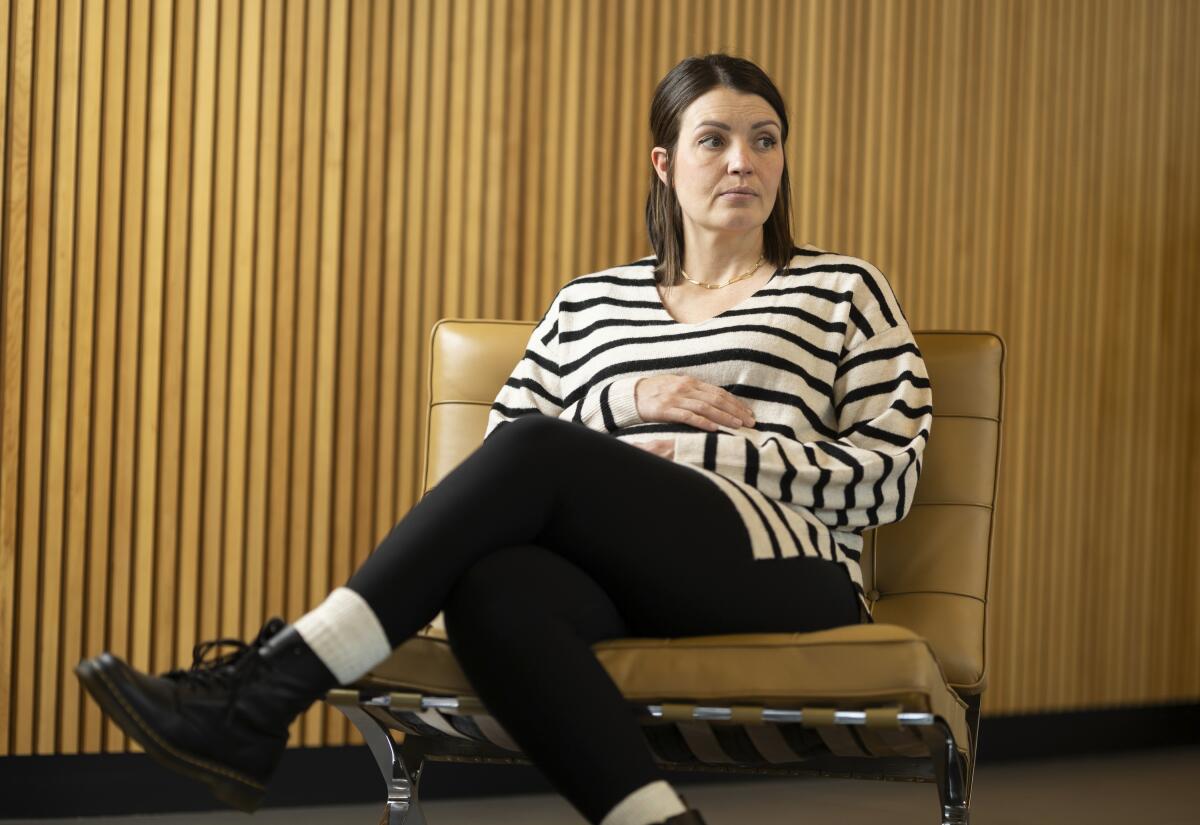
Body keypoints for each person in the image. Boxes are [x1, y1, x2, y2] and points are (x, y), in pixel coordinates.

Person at [76, 53, 933, 825]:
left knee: (539, 453)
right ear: (665, 166)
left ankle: (270, 687)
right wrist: (622, 397)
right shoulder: (587, 303)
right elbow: (501, 458)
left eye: (765, 139)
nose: (745, 160)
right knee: (493, 583)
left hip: (786, 566)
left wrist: (692, 454)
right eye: (714, 140)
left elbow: (890, 476)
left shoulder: (841, 289)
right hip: (626, 571)